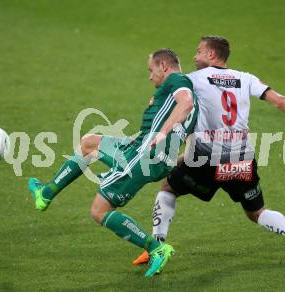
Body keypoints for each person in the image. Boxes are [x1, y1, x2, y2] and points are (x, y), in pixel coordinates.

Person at [132, 36, 285, 266]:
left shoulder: (192, 80)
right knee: (256, 211)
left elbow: (170, 103)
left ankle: (156, 244)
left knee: (168, 187)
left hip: (206, 156)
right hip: (242, 157)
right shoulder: (245, 79)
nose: (194, 57)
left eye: (198, 52)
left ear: (211, 55)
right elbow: (279, 101)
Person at [28, 48, 198, 277]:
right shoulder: (182, 95)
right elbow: (183, 130)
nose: (150, 76)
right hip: (144, 150)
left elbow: (184, 104)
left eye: (151, 70)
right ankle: (46, 192)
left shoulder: (177, 81)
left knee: (100, 211)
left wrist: (161, 135)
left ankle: (156, 248)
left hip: (145, 156)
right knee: (90, 142)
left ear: (164, 67)